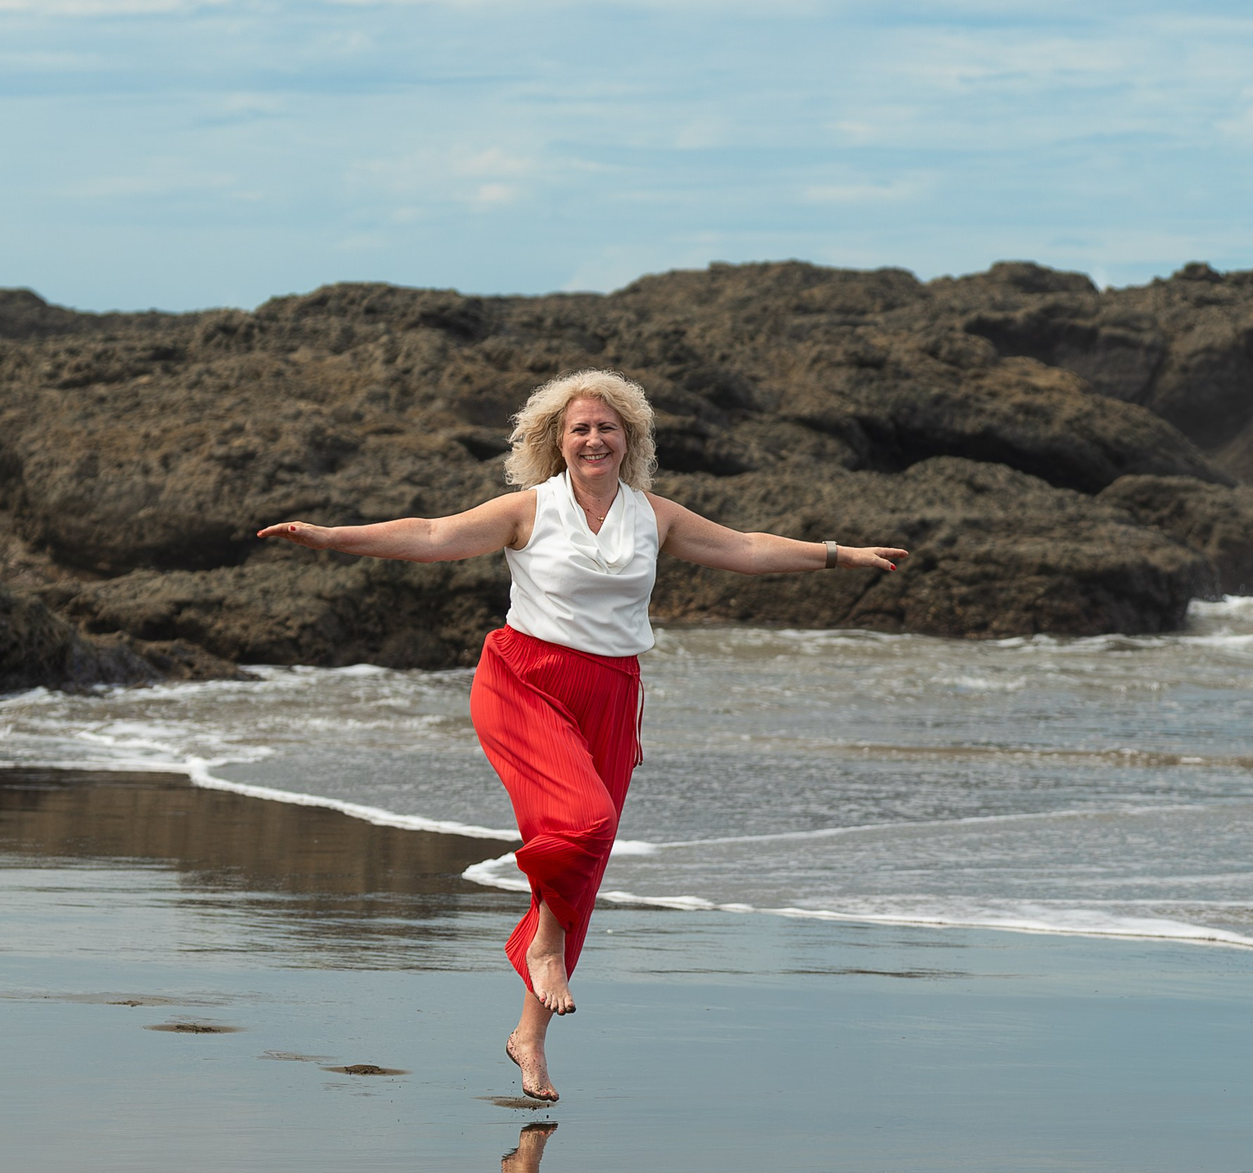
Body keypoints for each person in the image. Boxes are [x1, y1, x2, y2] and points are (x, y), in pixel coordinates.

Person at [259, 369, 906, 1102]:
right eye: (579, 429)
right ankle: (542, 947)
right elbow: (433, 535)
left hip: (611, 694)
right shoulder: (529, 509)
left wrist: (838, 554)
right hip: (526, 682)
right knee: (585, 822)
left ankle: (529, 1038)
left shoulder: (653, 516)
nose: (594, 438)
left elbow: (748, 547)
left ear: (629, 439)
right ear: (555, 442)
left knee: (584, 863)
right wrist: (331, 537)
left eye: (607, 427)